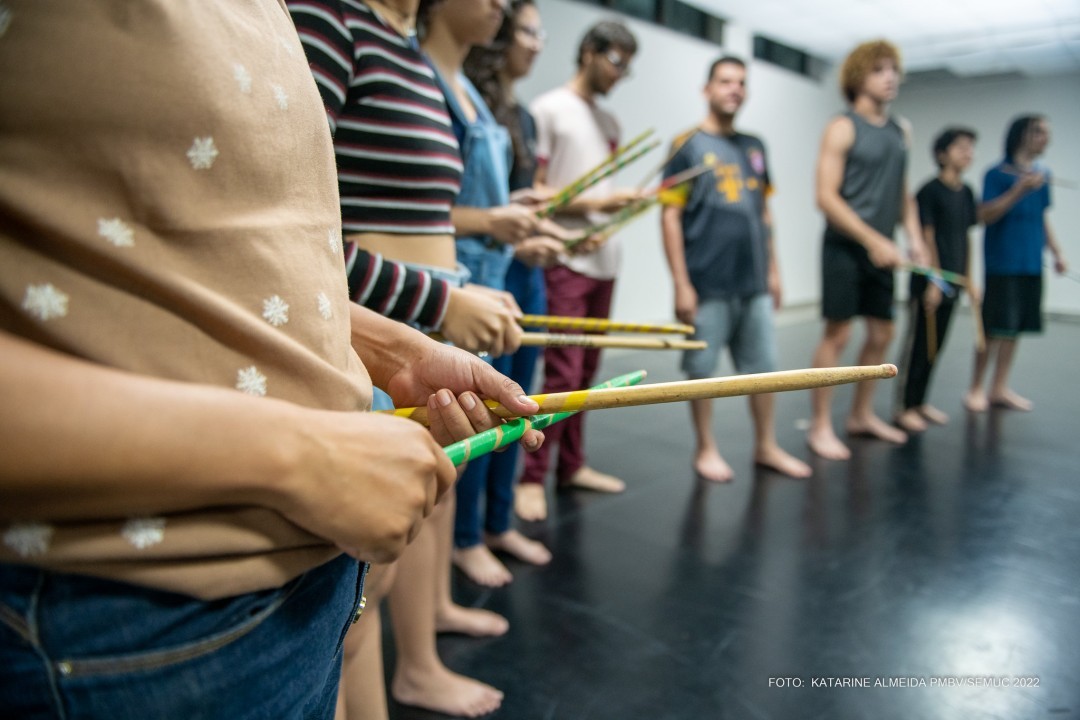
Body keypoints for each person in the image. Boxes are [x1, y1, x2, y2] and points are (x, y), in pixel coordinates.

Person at [0, 2, 541, 718]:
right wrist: (300, 454)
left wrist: (388, 346)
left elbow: (233, 245)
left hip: (278, 586)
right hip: (122, 609)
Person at [288, 0, 525, 716]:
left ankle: (412, 671)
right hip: (365, 341)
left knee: (372, 590)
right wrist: (438, 302)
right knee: (347, 608)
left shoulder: (408, 49)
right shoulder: (332, 18)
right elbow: (296, 236)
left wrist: (447, 300)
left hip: (415, 325)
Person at [449, 0, 563, 586]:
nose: (537, 42)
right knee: (481, 411)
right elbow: (459, 212)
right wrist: (505, 229)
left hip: (502, 271)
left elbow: (510, 201)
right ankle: (467, 535)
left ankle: (495, 522)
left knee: (522, 402)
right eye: (528, 30)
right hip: (471, 278)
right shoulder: (463, 91)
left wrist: (528, 227)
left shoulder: (511, 112)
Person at [660, 56, 811, 483]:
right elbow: (670, 216)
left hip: (754, 279)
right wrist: (681, 284)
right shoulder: (686, 144)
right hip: (707, 281)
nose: (734, 89)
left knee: (765, 370)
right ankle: (705, 447)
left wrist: (776, 271)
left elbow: (764, 212)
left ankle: (766, 445)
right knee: (701, 371)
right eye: (725, 81)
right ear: (707, 89)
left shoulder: (755, 145)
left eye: (741, 83)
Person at [516, 20, 643, 522]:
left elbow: (595, 204)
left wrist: (610, 216)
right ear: (588, 51)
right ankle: (532, 478)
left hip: (603, 261)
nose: (618, 75)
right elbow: (539, 192)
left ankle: (571, 466)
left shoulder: (610, 124)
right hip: (562, 259)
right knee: (563, 370)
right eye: (615, 62)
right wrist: (601, 203)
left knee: (589, 372)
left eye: (627, 70)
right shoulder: (547, 109)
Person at [805, 39, 927, 461]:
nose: (891, 76)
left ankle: (861, 415)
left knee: (883, 332)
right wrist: (873, 239)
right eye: (879, 69)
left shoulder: (900, 131)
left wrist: (915, 237)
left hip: (885, 250)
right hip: (845, 247)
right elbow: (826, 197)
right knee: (838, 334)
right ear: (858, 76)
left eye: (894, 68)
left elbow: (902, 193)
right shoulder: (842, 127)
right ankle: (820, 424)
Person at [964, 115, 1068, 412]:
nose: (1044, 138)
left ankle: (999, 388)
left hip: (1031, 263)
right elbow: (984, 215)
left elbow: (1042, 218)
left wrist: (1057, 253)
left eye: (1047, 133)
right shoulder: (996, 175)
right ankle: (975, 388)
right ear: (1022, 135)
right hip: (1002, 264)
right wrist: (1019, 190)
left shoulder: (1043, 175)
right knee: (993, 328)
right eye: (1039, 132)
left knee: (1015, 329)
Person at [894, 128, 979, 431]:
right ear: (942, 153)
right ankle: (904, 406)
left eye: (971, 147)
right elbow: (926, 237)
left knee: (936, 346)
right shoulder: (929, 191)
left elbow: (966, 237)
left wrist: (969, 279)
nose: (967, 152)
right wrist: (934, 282)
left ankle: (920, 402)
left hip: (954, 281)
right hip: (930, 282)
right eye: (960, 146)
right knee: (918, 345)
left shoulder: (967, 192)